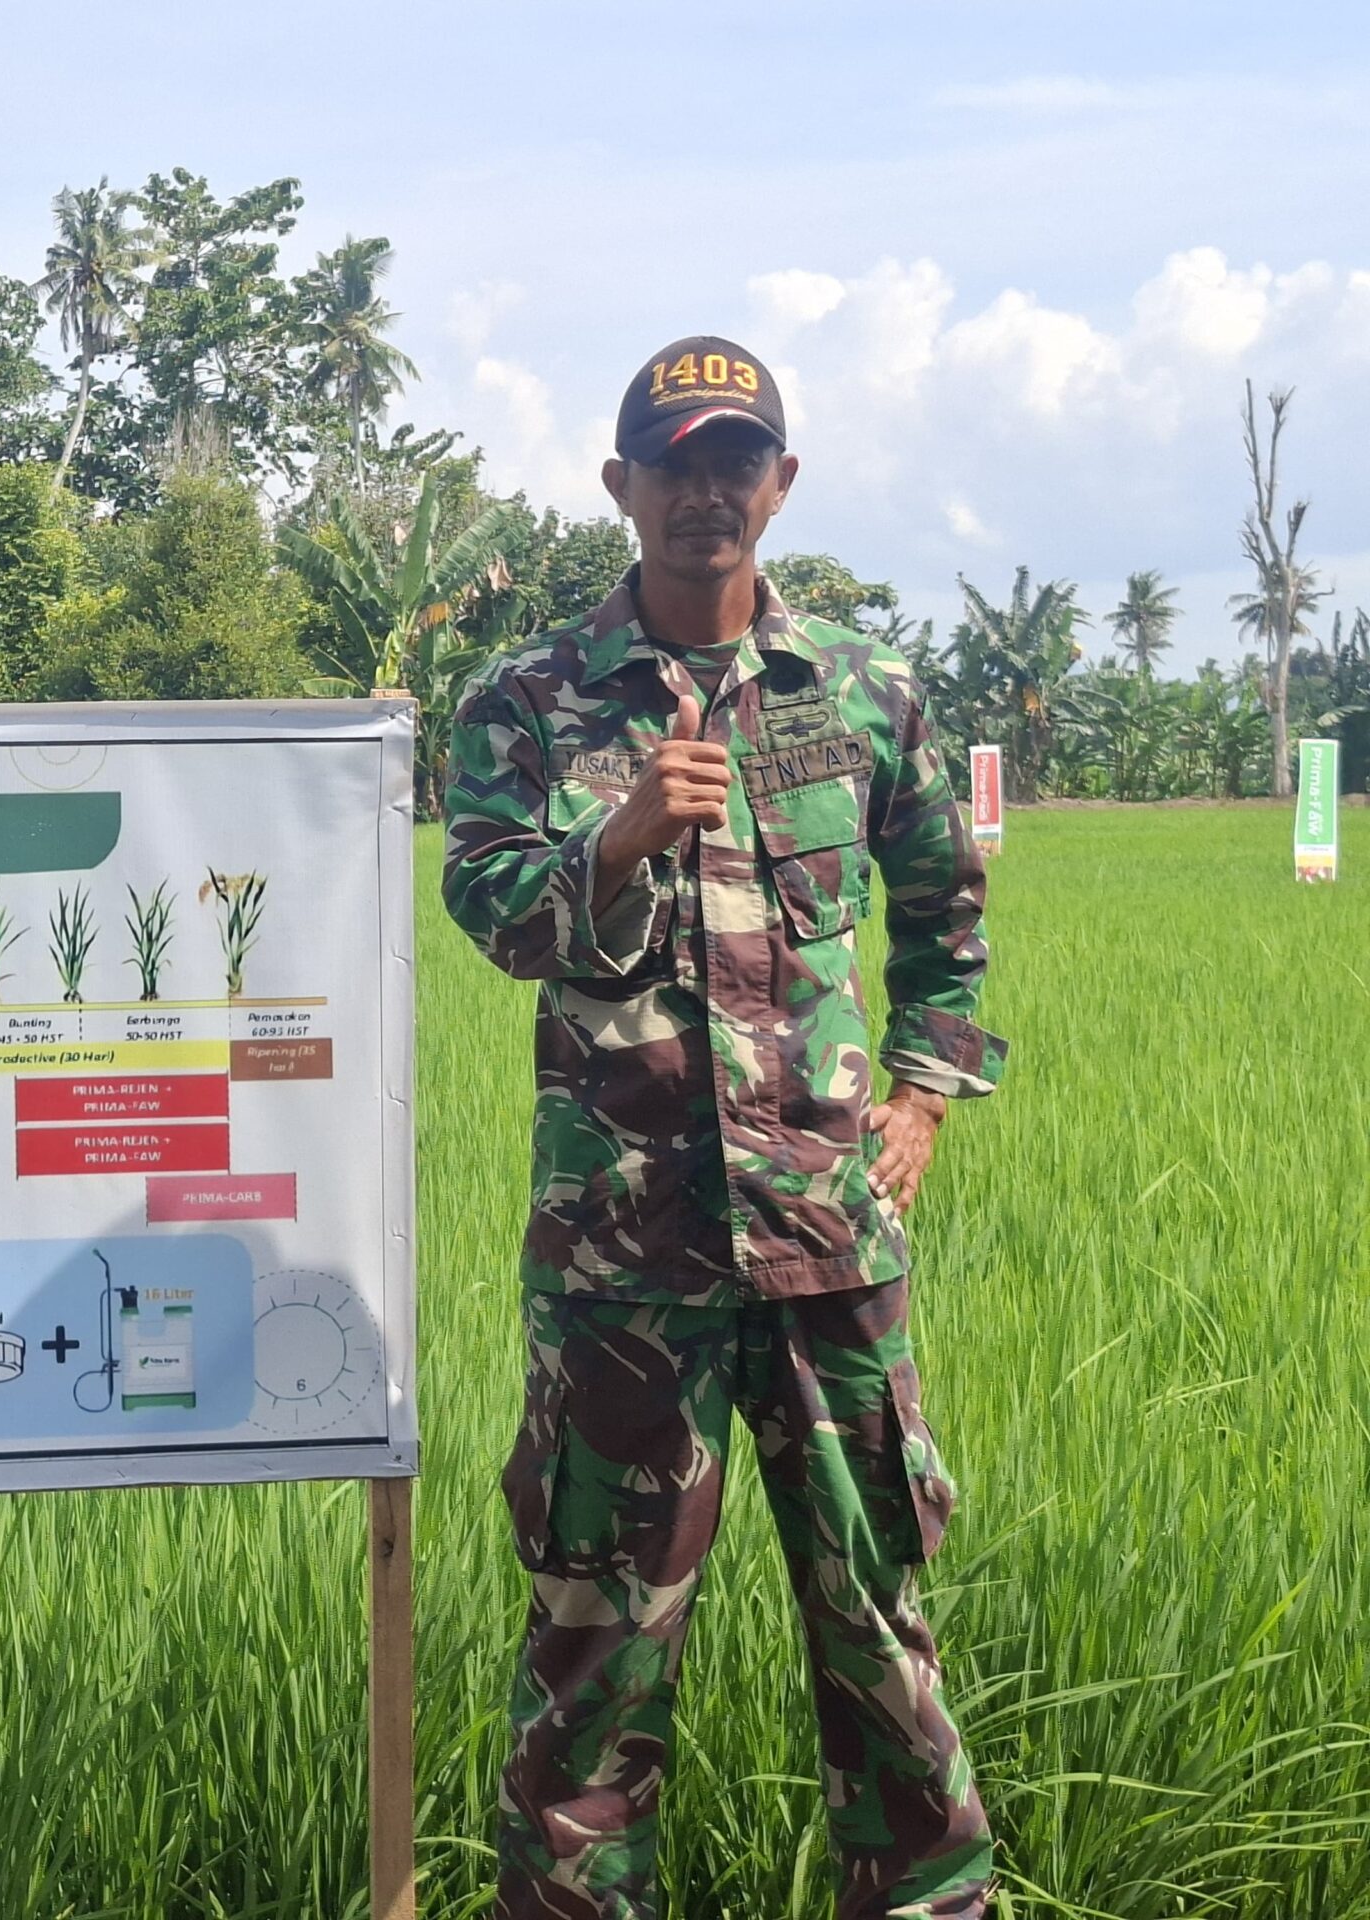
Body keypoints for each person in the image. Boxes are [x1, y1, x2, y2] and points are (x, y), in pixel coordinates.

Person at [440, 337, 1006, 1920]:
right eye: (675, 463)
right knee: (595, 1658)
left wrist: (922, 1094)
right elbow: (491, 910)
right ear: (620, 486)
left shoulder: (865, 692)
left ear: (782, 483)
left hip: (830, 1242)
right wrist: (615, 841)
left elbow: (946, 914)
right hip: (623, 1265)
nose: (707, 491)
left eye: (735, 461)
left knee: (880, 1633)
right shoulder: (529, 701)